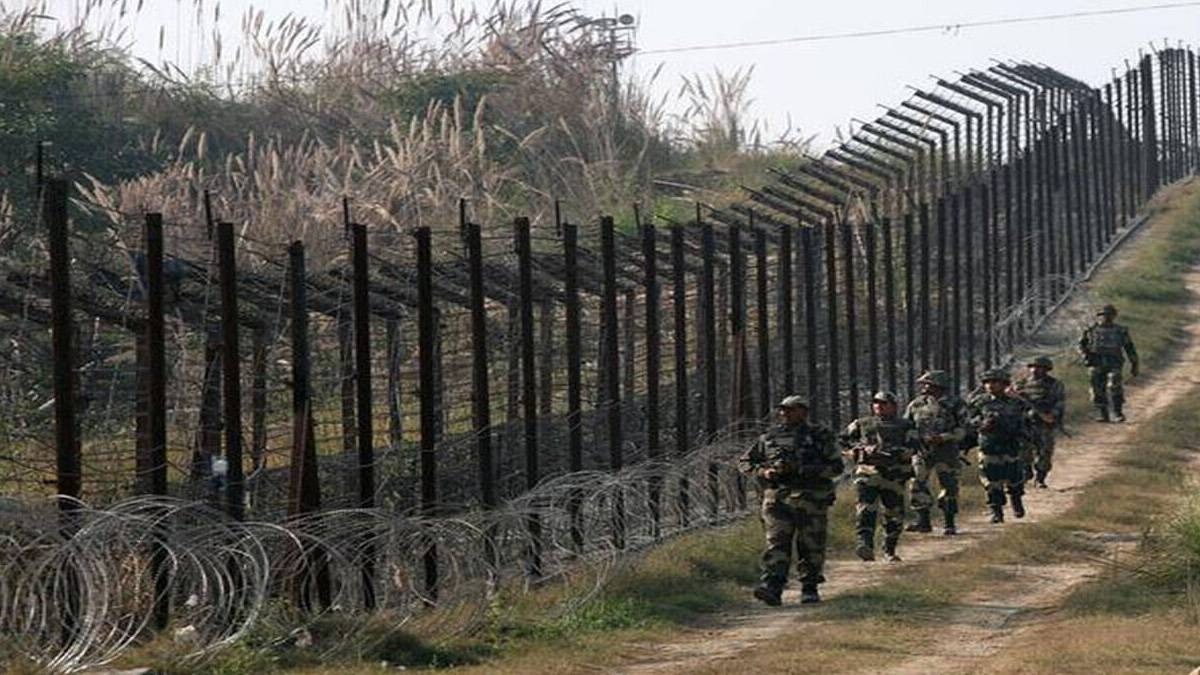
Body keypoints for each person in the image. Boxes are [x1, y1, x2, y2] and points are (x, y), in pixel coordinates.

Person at [738, 395, 843, 606]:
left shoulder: (820, 436)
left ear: (803, 411)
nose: (785, 413)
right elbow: (745, 462)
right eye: (782, 410)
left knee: (810, 544)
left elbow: (836, 467)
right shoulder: (769, 437)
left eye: (791, 409)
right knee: (776, 542)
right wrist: (764, 472)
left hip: (811, 498)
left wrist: (802, 469)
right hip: (777, 498)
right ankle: (773, 587)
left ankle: (809, 587)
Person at [841, 391, 920, 563]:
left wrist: (892, 452)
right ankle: (865, 544)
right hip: (867, 473)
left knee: (893, 513)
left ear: (893, 406)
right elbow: (843, 441)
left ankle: (889, 549)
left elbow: (913, 447)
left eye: (884, 403)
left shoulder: (905, 425)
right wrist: (857, 451)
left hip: (894, 475)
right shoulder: (862, 424)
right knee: (865, 509)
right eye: (876, 403)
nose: (879, 406)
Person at [904, 370, 969, 536]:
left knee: (949, 486)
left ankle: (949, 523)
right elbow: (906, 426)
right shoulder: (916, 404)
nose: (924, 387)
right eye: (924, 384)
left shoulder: (956, 404)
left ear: (939, 386)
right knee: (917, 484)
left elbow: (963, 429)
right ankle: (923, 521)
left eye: (928, 384)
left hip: (946, 451)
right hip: (922, 451)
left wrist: (943, 437)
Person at [968, 368, 1032, 523]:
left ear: (1004, 384)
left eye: (995, 382)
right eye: (988, 382)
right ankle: (996, 511)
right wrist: (982, 424)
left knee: (1015, 478)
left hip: (1011, 445)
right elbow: (969, 420)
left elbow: (1027, 420)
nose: (991, 385)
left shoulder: (1016, 402)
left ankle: (1016, 501)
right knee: (991, 481)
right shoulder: (979, 402)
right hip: (989, 445)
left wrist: (1025, 437)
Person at [1011, 356, 1067, 489]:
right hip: (1025, 423)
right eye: (1033, 367)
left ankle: (1040, 478)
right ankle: (1026, 473)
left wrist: (1052, 415)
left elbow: (1059, 402)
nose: (1035, 370)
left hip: (1044, 424)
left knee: (1045, 452)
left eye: (1040, 368)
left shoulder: (1054, 384)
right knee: (1023, 451)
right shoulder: (1020, 384)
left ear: (1046, 369)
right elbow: (1013, 403)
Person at [1078, 304, 1139, 422]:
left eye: (1109, 315)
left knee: (1114, 385)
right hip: (1096, 362)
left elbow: (1129, 348)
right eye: (1103, 315)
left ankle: (1118, 412)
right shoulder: (1091, 330)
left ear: (1114, 316)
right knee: (1097, 389)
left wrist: (1134, 364)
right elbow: (1081, 344)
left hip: (1114, 362)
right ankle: (1102, 413)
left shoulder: (1120, 331)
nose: (1106, 317)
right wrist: (1085, 355)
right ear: (1098, 316)